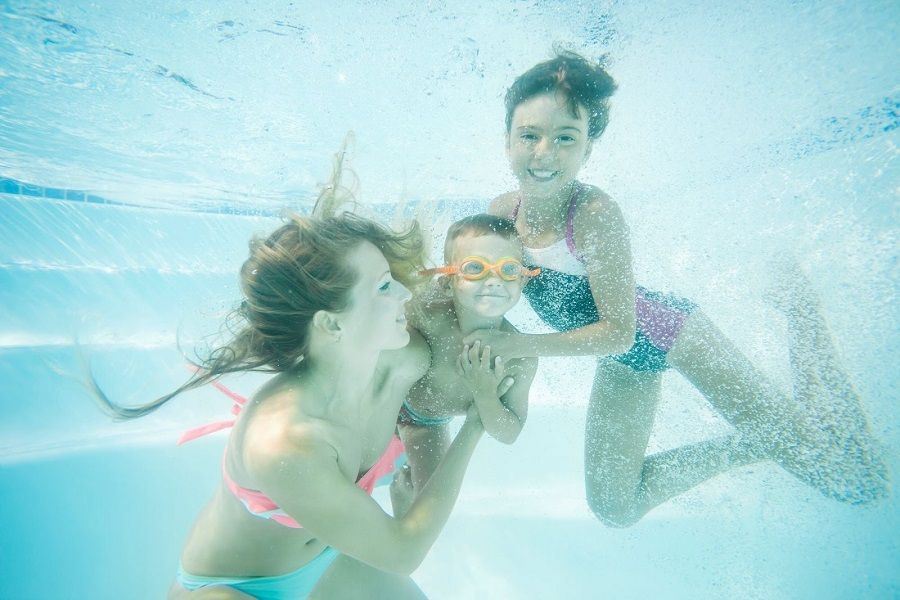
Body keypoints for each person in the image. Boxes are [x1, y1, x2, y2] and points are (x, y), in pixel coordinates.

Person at [461, 50, 888, 527]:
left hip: (673, 335)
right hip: (627, 358)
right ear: (506, 142)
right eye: (530, 136)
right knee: (615, 508)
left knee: (857, 481)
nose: (545, 153)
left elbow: (619, 331)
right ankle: (758, 439)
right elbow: (475, 286)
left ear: (587, 149)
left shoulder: (595, 216)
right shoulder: (502, 214)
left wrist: (517, 344)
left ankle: (802, 312)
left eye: (566, 138)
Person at [93, 205, 491, 598]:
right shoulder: (286, 441)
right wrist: (475, 427)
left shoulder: (401, 361)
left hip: (326, 564)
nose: (404, 293)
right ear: (331, 323)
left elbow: (437, 411)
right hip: (235, 587)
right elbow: (402, 552)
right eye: (384, 286)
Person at [398, 214, 539, 494]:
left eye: (509, 270)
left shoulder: (520, 359)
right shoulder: (427, 312)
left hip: (424, 421)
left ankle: (402, 493)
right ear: (446, 281)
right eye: (476, 268)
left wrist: (484, 393)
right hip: (383, 402)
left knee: (429, 500)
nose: (494, 280)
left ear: (523, 281)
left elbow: (508, 433)